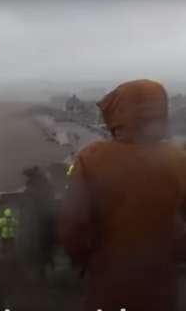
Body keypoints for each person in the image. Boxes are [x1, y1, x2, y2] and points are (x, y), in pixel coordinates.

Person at [59, 79, 186, 311]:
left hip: (108, 279)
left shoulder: (91, 159)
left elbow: (74, 225)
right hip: (161, 280)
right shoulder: (178, 159)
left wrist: (81, 261)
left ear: (117, 113)